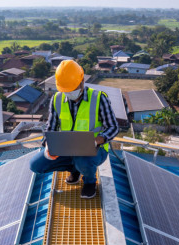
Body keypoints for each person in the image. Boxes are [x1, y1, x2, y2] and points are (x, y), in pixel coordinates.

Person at [29, 60, 119, 199]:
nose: (69, 93)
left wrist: (97, 140)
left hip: (95, 149)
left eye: (72, 88)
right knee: (36, 165)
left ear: (82, 81)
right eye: (66, 90)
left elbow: (113, 127)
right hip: (66, 148)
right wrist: (47, 145)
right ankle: (75, 170)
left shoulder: (99, 98)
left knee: (83, 160)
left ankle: (89, 182)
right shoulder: (56, 99)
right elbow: (51, 127)